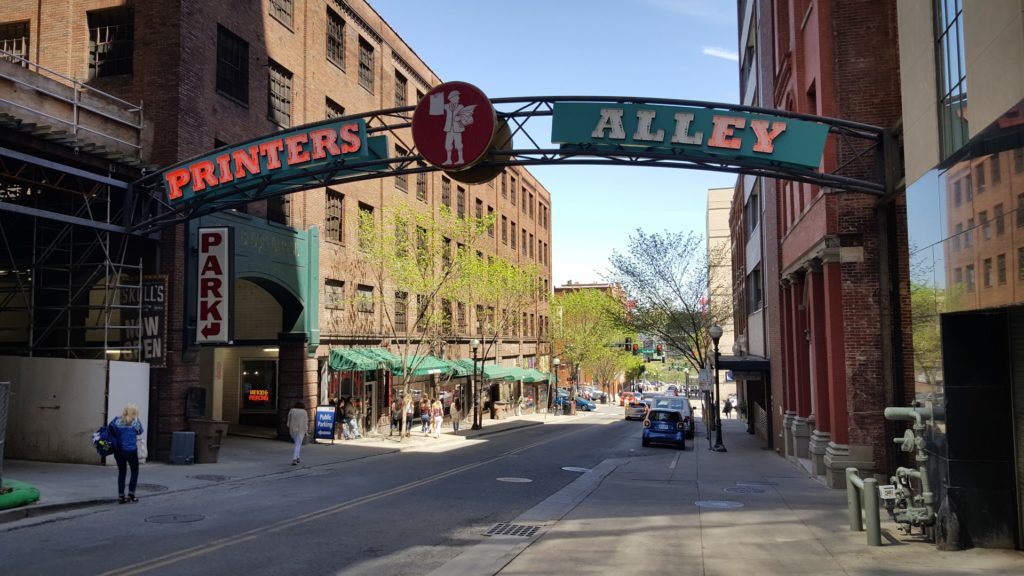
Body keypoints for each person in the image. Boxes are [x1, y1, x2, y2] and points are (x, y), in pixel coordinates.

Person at [110, 404, 144, 503]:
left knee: (122, 472)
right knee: (134, 471)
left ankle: (121, 496)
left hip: (119, 451)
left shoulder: (116, 421)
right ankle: (131, 494)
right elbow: (140, 432)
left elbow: (111, 431)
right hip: (131, 450)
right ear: (133, 413)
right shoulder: (135, 422)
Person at [287, 401, 308, 465]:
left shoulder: (291, 410)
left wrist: (289, 426)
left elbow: (288, 421)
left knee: (297, 443)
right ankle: (294, 459)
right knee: (298, 445)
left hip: (292, 430)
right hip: (301, 430)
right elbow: (306, 422)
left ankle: (298, 458)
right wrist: (306, 431)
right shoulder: (304, 412)